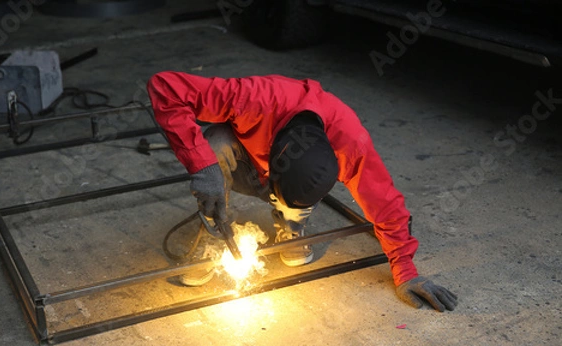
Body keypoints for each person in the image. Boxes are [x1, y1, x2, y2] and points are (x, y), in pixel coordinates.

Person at [147, 71, 458, 312]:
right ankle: (216, 231)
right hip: (245, 164)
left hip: (283, 174)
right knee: (215, 143)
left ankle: (292, 224)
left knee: (303, 191)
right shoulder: (255, 98)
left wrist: (406, 269)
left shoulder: (348, 139)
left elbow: (384, 202)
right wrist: (203, 167)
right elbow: (165, 86)